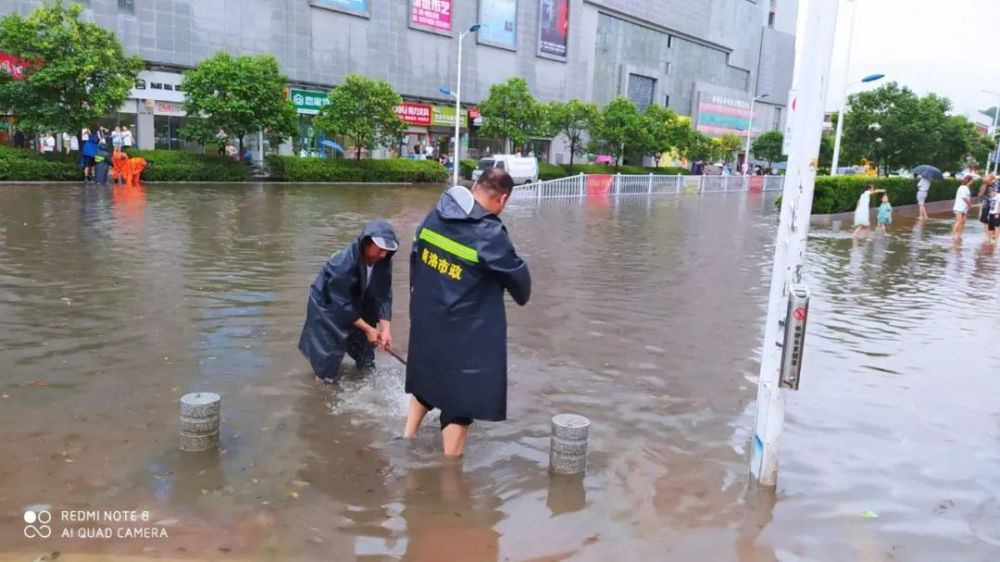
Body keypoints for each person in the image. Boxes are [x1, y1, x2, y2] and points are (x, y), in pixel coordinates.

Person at [403, 168, 531, 457]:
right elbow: (521, 290)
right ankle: (450, 477)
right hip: (464, 334)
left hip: (427, 321)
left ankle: (407, 438)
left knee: (427, 378)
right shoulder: (489, 232)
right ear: (502, 200)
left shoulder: (434, 215)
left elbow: (415, 259)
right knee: (460, 403)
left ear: (474, 186)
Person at [298, 220, 399, 383]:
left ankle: (365, 382)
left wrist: (385, 329)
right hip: (329, 309)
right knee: (327, 367)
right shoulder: (343, 264)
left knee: (366, 357)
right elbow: (341, 304)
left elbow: (384, 293)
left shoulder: (384, 261)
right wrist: (367, 328)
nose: (384, 254)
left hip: (358, 303)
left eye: (388, 251)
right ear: (366, 244)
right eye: (380, 249)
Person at [952, 175, 975, 240]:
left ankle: (959, 235)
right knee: (958, 221)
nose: (972, 182)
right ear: (969, 181)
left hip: (964, 208)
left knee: (963, 222)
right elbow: (964, 198)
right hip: (959, 207)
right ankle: (954, 235)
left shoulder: (967, 188)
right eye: (972, 180)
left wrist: (968, 206)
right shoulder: (962, 187)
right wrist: (970, 204)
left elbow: (967, 197)